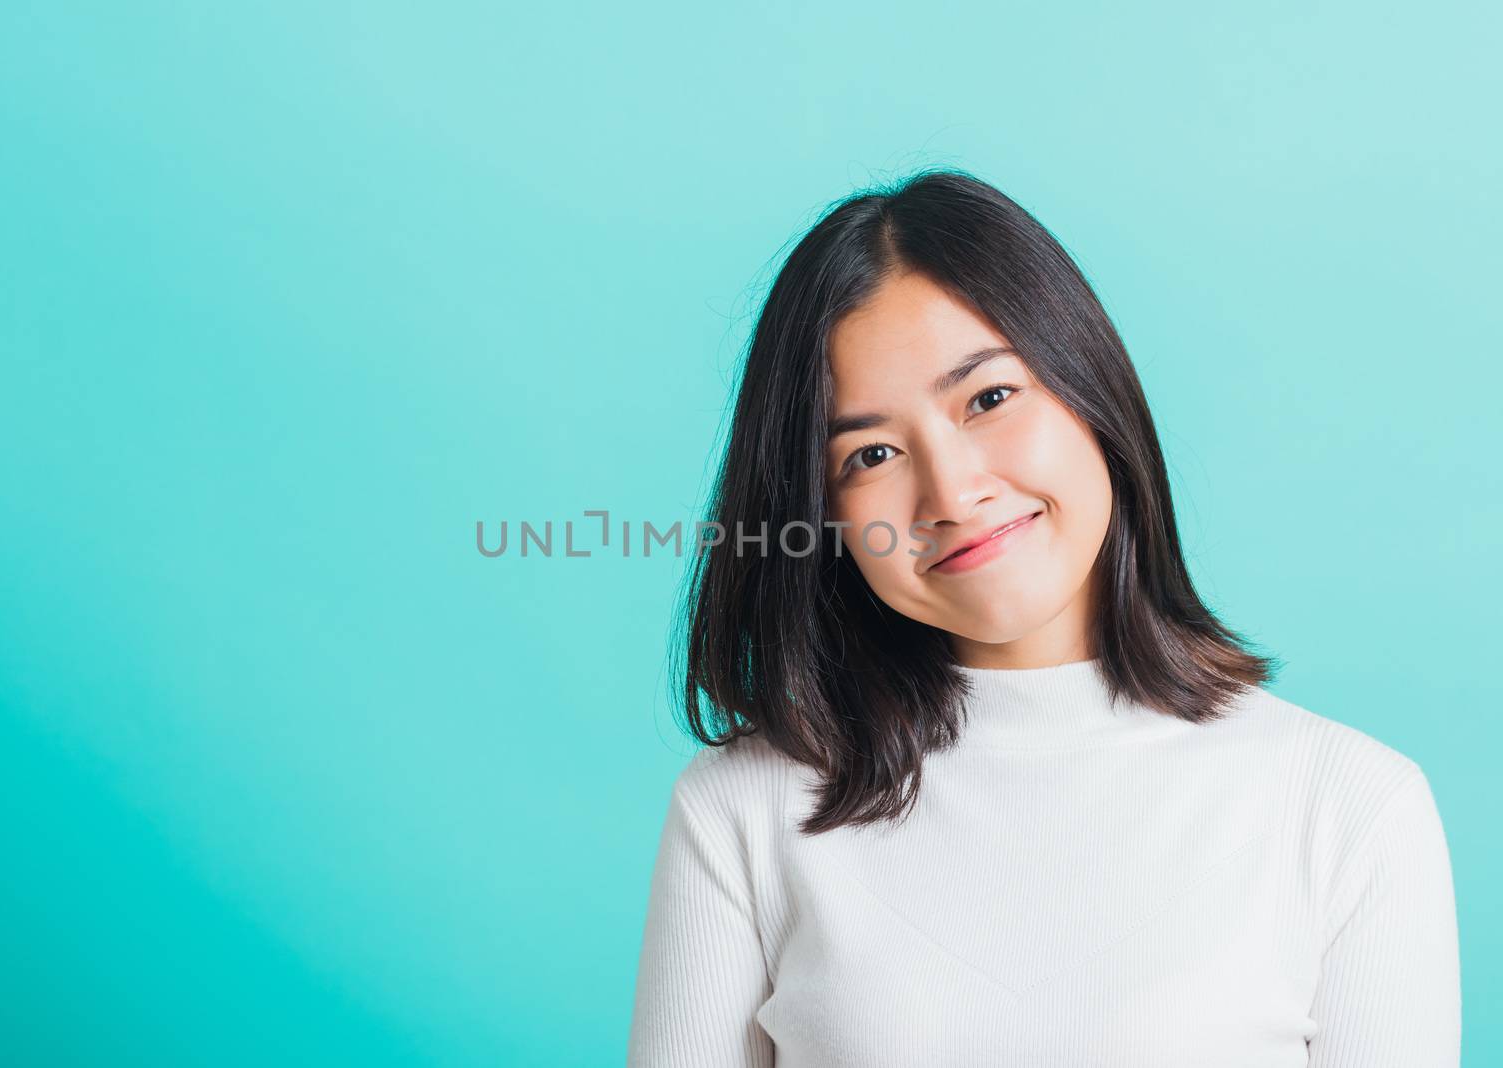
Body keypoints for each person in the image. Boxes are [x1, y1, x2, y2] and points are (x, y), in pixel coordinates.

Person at [626, 170, 1462, 1067]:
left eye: (989, 399)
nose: (951, 494)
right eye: (872, 453)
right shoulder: (741, 811)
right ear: (826, 516)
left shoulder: (1348, 807)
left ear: (1091, 390)